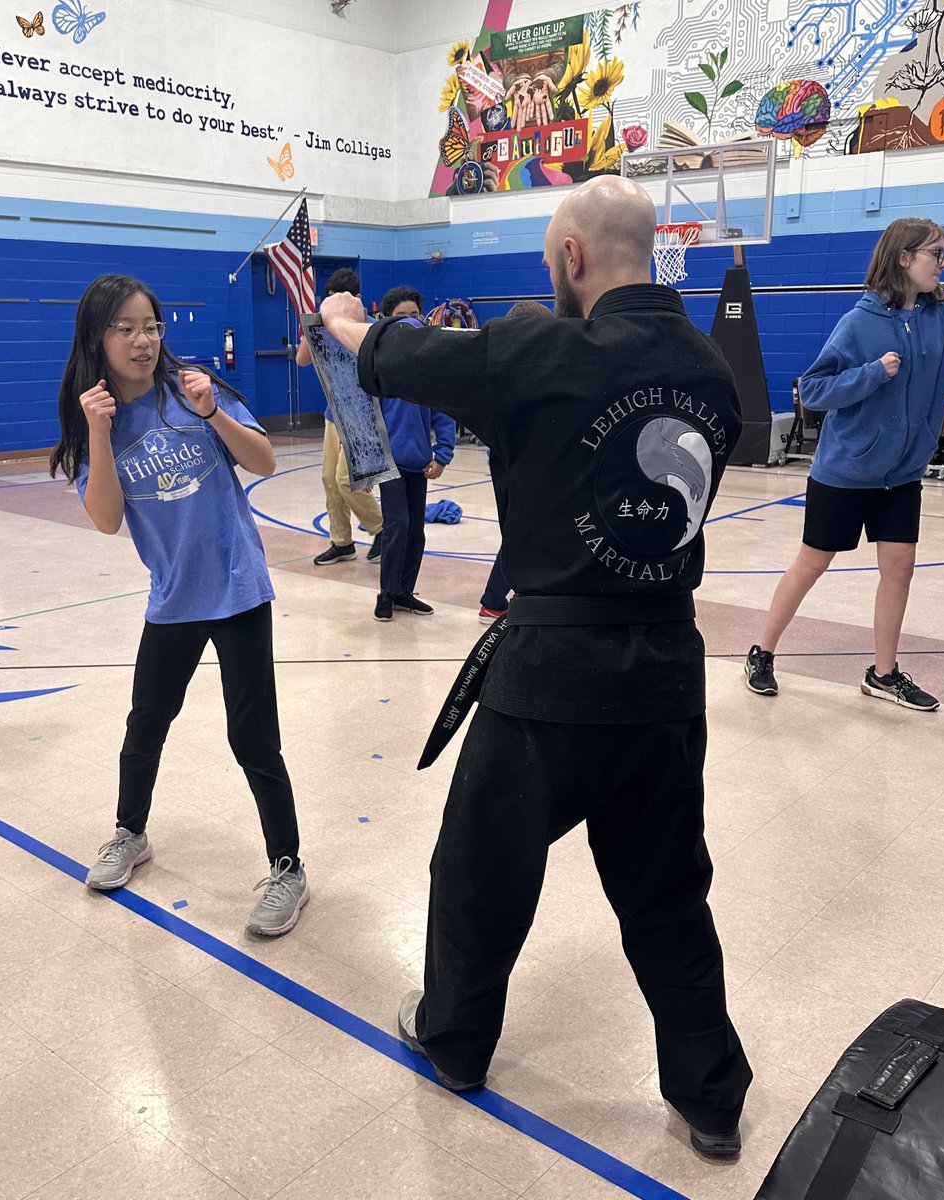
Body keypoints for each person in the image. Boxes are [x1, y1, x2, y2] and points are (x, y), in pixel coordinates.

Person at [320, 176, 752, 1157]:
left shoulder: (536, 350)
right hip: (661, 678)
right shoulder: (711, 370)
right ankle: (712, 1094)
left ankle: (457, 1039)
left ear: (570, 256)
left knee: (479, 870)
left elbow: (402, 353)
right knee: (667, 892)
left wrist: (344, 318)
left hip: (549, 678)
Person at [50, 275, 308, 936]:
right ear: (97, 338)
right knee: (146, 723)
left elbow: (266, 461)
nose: (143, 341)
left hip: (239, 588)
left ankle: (289, 869)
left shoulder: (192, 388)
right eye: (126, 328)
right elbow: (107, 519)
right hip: (173, 599)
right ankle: (130, 834)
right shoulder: (96, 422)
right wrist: (100, 434)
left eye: (152, 327)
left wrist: (212, 413)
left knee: (254, 738)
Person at [745, 218, 944, 711]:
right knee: (813, 563)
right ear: (904, 258)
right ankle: (762, 652)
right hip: (846, 471)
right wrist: (872, 374)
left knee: (900, 568)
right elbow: (814, 389)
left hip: (903, 475)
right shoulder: (859, 322)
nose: (943, 263)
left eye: (943, 254)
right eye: (935, 253)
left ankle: (883, 673)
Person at [372, 286, 456, 622]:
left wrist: (443, 453)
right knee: (398, 525)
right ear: (387, 320)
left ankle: (405, 592)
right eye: (400, 317)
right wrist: (365, 466)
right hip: (389, 462)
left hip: (419, 462)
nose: (408, 323)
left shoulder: (427, 368)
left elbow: (442, 411)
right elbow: (366, 418)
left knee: (416, 531)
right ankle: (386, 592)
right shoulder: (378, 366)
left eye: (413, 315)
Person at [295, 267, 384, 566]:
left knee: (346, 480)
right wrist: (315, 323)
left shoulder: (370, 329)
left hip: (363, 416)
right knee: (328, 480)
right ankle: (342, 541)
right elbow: (301, 359)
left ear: (356, 300)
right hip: (334, 415)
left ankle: (382, 529)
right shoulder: (326, 328)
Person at [478, 300, 555, 624]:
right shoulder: (512, 370)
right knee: (521, 529)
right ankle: (494, 598)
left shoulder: (518, 366)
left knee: (525, 527)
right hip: (516, 459)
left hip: (514, 458)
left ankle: (513, 592)